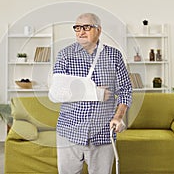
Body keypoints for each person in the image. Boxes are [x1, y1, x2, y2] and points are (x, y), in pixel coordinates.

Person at [52, 13, 132, 174]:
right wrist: (94, 93)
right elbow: (57, 92)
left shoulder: (114, 56)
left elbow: (125, 90)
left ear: (99, 30)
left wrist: (118, 116)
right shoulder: (65, 55)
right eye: (77, 28)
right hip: (70, 132)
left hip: (102, 133)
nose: (81, 32)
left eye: (86, 27)